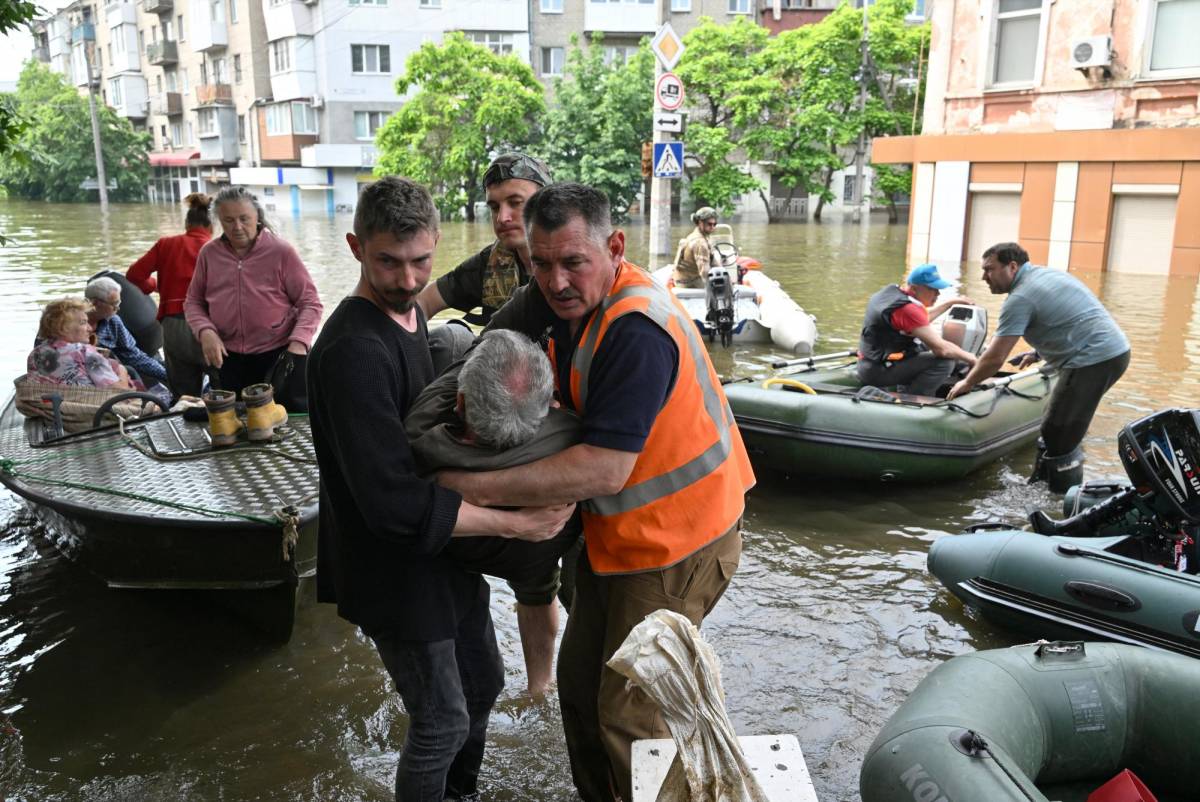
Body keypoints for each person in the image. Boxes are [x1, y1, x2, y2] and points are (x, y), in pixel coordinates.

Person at [437, 183, 756, 802]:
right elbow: (484, 352)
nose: (555, 282)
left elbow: (604, 471)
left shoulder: (636, 331)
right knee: (579, 692)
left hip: (680, 544)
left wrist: (465, 486)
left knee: (633, 713)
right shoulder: (557, 299)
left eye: (573, 263)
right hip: (620, 541)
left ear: (614, 247)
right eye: (542, 264)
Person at [307, 176, 575, 802]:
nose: (407, 280)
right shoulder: (352, 351)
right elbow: (392, 504)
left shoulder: (410, 321)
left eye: (421, 262)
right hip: (388, 566)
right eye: (388, 263)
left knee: (483, 684)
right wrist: (515, 525)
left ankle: (461, 794)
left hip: (442, 553)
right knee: (441, 721)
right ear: (355, 247)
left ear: (438, 245)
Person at [406, 328, 583, 697]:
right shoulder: (572, 439)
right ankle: (541, 688)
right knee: (555, 596)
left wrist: (490, 339)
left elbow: (460, 367)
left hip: (463, 552)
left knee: (454, 337)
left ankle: (533, 687)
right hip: (542, 548)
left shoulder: (422, 442)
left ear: (459, 404)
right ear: (548, 406)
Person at [948, 242, 1131, 491]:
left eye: (990, 269)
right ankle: (1041, 485)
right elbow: (1072, 316)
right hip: (1112, 352)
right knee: (1057, 427)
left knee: (1058, 432)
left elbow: (994, 357)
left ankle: (1063, 500)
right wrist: (1037, 353)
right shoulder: (1045, 274)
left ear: (1012, 267)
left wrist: (967, 382)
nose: (984, 277)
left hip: (1093, 359)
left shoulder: (1020, 297)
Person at [184, 186, 322, 410]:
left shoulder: (281, 252)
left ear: (257, 217)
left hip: (279, 355)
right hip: (227, 357)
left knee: (285, 423)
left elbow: (310, 302)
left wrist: (299, 342)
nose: (237, 227)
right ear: (218, 220)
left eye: (244, 219)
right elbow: (193, 302)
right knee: (234, 424)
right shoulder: (209, 254)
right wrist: (205, 331)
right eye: (228, 220)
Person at [416, 152, 552, 327]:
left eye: (516, 203)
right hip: (504, 352)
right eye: (495, 207)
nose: (502, 218)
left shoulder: (575, 261)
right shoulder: (492, 262)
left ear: (546, 203)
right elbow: (425, 302)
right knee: (449, 339)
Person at [126, 192, 213, 398]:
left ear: (187, 224)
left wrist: (155, 286)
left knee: (184, 396)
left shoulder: (166, 244)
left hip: (173, 324)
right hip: (211, 326)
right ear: (211, 226)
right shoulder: (216, 248)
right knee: (222, 390)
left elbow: (134, 275)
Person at [856, 263, 979, 396]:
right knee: (945, 362)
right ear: (914, 289)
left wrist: (950, 303)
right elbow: (942, 349)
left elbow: (919, 320)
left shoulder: (892, 295)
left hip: (872, 364)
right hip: (877, 372)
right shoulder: (907, 310)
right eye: (933, 289)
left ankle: (903, 392)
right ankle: (913, 402)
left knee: (922, 346)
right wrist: (971, 358)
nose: (938, 293)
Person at [27, 298, 133, 390]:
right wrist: (123, 372)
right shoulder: (85, 352)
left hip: (49, 410)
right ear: (62, 328)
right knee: (128, 370)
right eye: (83, 322)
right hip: (96, 410)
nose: (90, 328)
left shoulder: (35, 354)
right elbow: (118, 393)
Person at [84, 276, 168, 387]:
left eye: (119, 303)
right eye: (114, 304)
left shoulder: (113, 321)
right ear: (95, 303)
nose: (117, 308)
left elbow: (132, 355)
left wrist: (166, 375)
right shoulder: (70, 320)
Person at [671, 206, 718, 289]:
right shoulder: (700, 243)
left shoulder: (693, 235)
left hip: (681, 278)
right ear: (700, 223)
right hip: (689, 282)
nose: (712, 227)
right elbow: (705, 272)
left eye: (714, 224)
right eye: (709, 224)